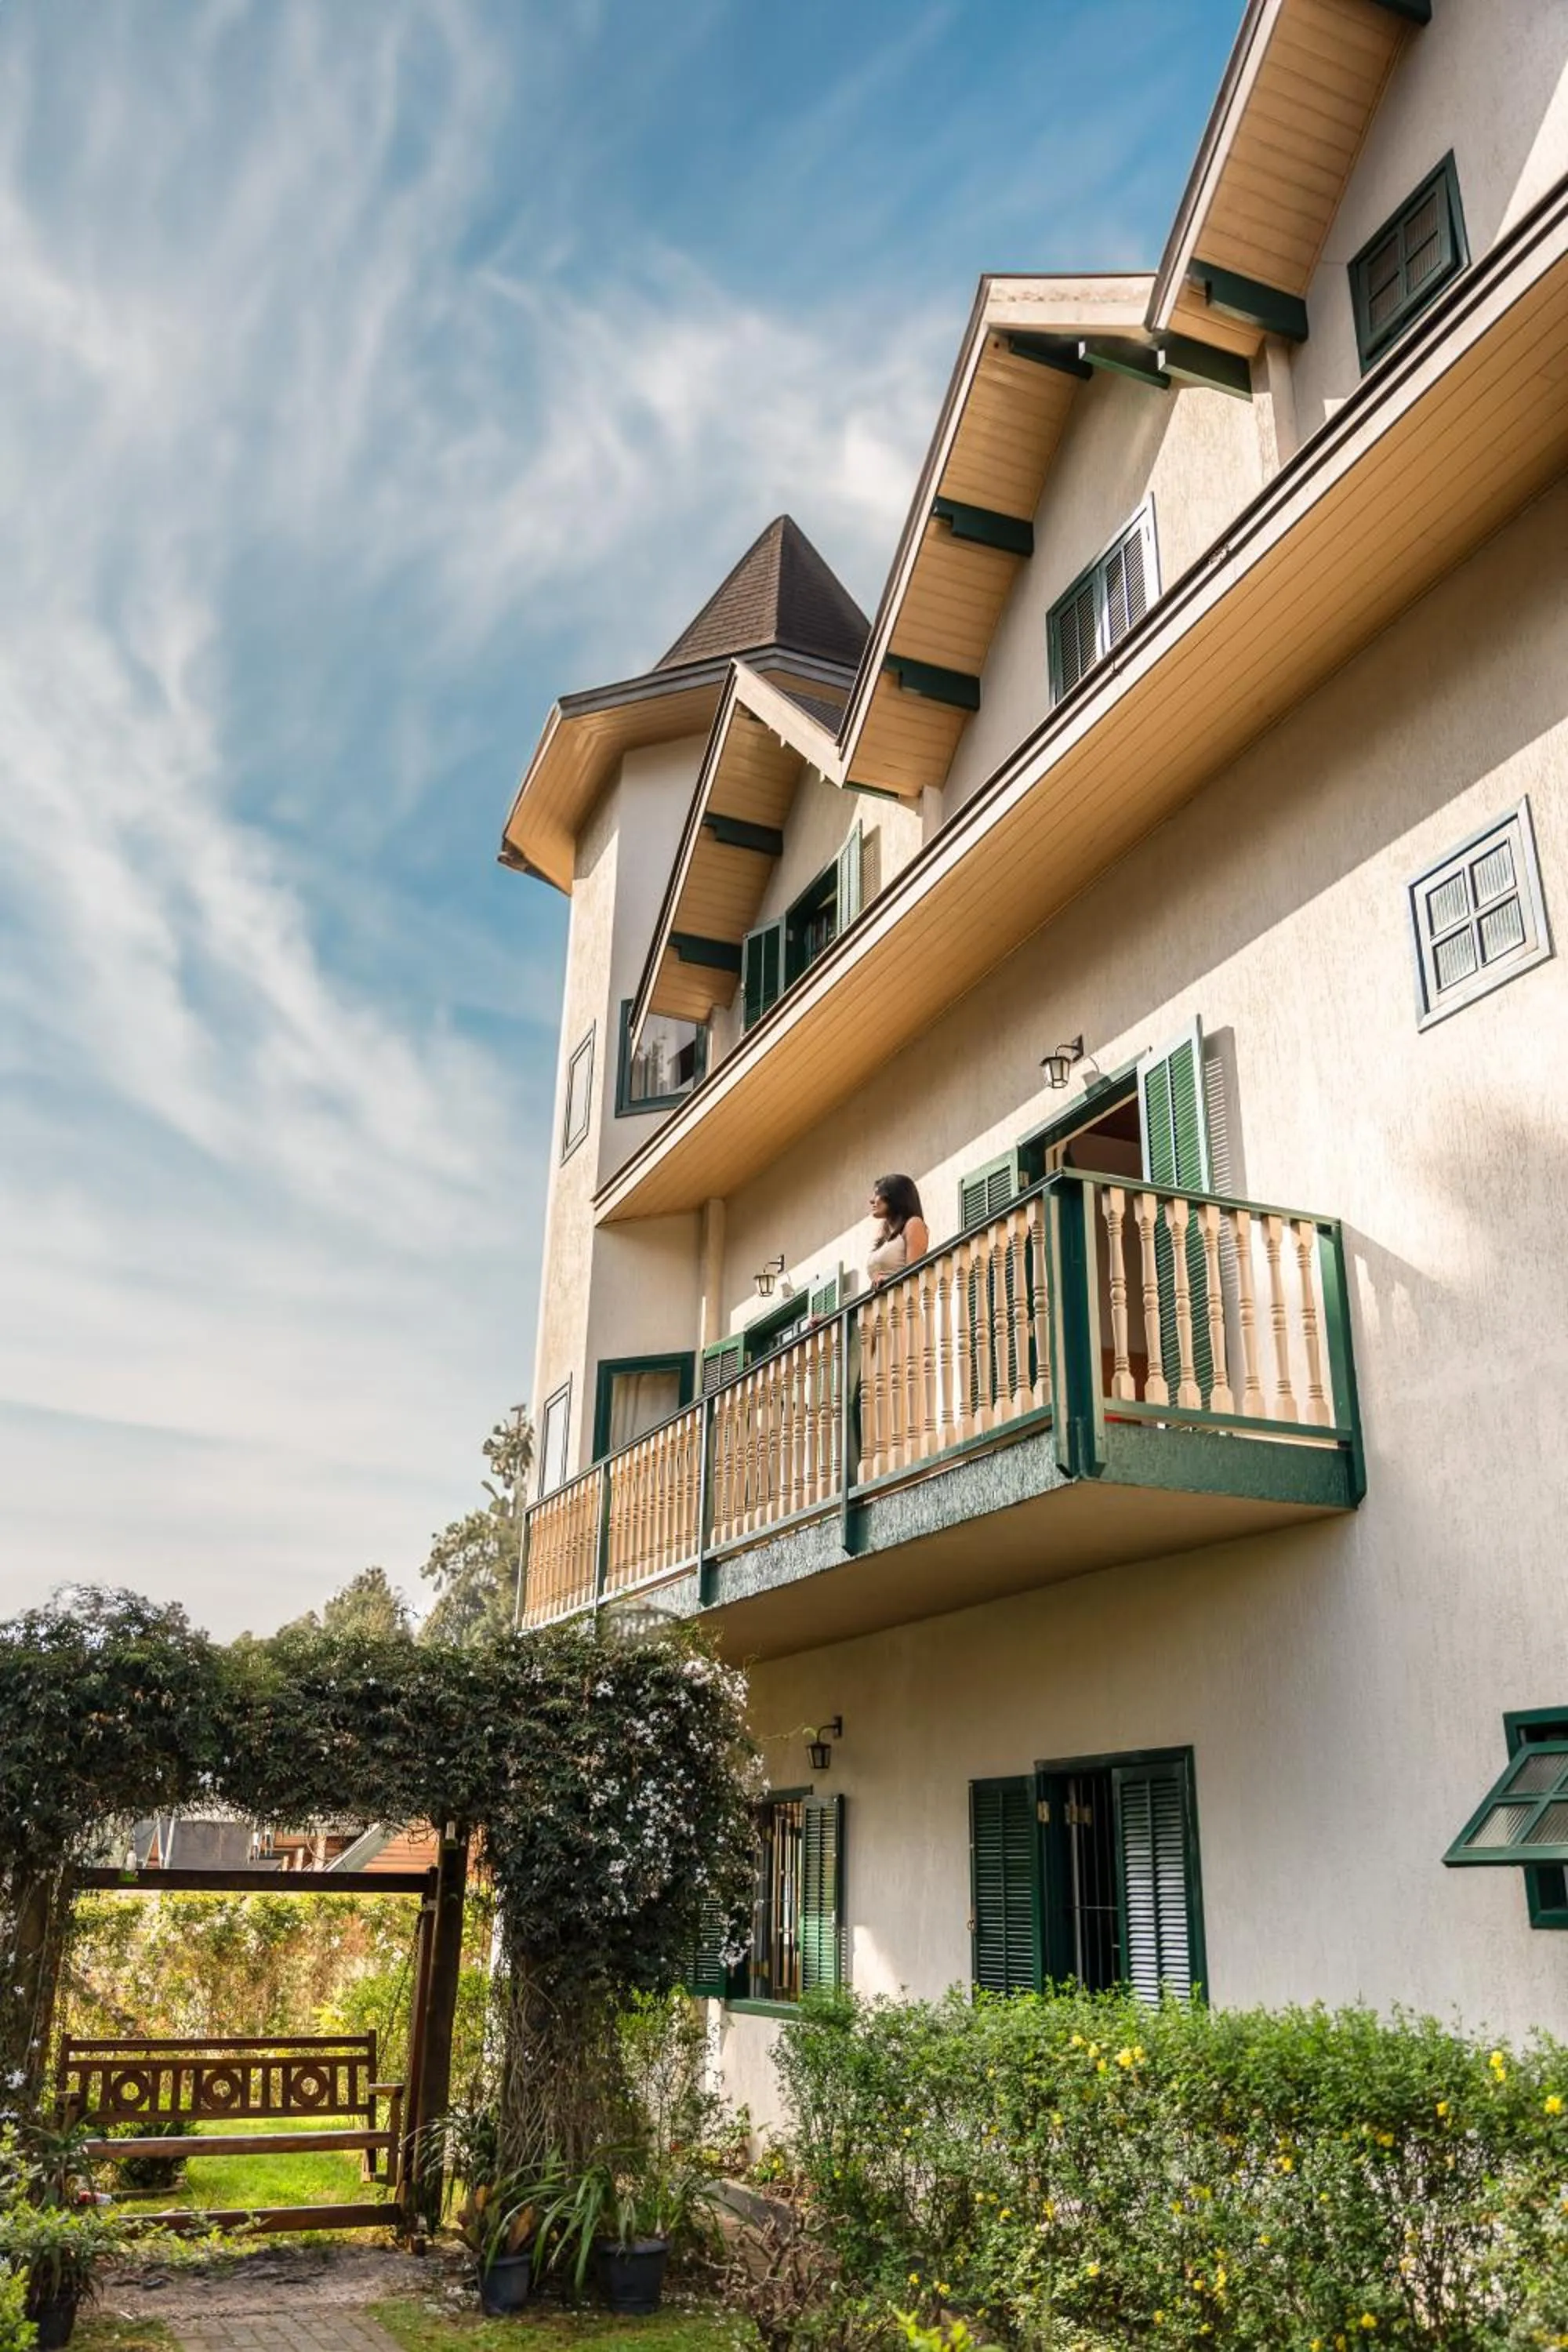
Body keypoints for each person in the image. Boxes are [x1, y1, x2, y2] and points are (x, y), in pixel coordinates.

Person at [866, 1174, 929, 1285]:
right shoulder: (885, 1234)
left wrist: (888, 1281)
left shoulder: (913, 1224)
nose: (871, 1200)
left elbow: (914, 1277)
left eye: (877, 1194)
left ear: (894, 1197)